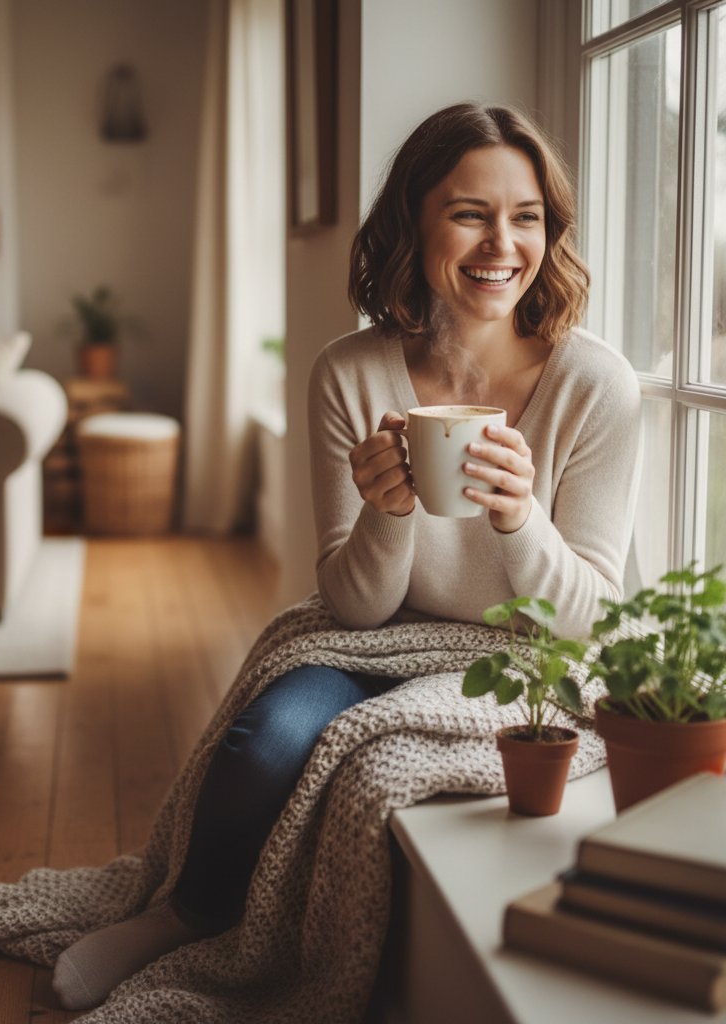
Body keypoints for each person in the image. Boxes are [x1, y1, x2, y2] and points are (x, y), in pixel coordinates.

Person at [48, 101, 643, 1011]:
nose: (502, 243)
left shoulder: (595, 385)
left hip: (527, 655)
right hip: (383, 635)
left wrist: (521, 520)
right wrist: (387, 511)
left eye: (526, 216)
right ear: (415, 218)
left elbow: (593, 620)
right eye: (469, 212)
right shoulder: (349, 373)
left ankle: (312, 959)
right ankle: (184, 914)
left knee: (368, 769)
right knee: (269, 734)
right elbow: (356, 607)